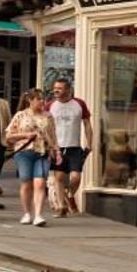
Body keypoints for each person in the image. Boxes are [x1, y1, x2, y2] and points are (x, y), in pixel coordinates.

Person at [1, 89, 55, 225]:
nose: (41, 101)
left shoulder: (48, 116)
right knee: (26, 183)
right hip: (24, 152)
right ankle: (26, 213)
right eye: (38, 99)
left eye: (42, 99)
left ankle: (38, 215)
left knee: (40, 183)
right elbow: (8, 136)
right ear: (30, 100)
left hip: (42, 153)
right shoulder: (20, 115)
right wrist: (25, 136)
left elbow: (53, 136)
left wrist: (56, 151)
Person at [45, 78, 91, 218]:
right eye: (55, 88)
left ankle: (69, 194)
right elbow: (46, 126)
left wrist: (89, 142)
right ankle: (61, 207)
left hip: (74, 147)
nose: (56, 90)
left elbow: (87, 124)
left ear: (68, 89)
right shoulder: (50, 105)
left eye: (59, 88)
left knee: (76, 177)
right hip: (58, 147)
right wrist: (50, 145)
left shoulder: (79, 104)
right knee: (59, 177)